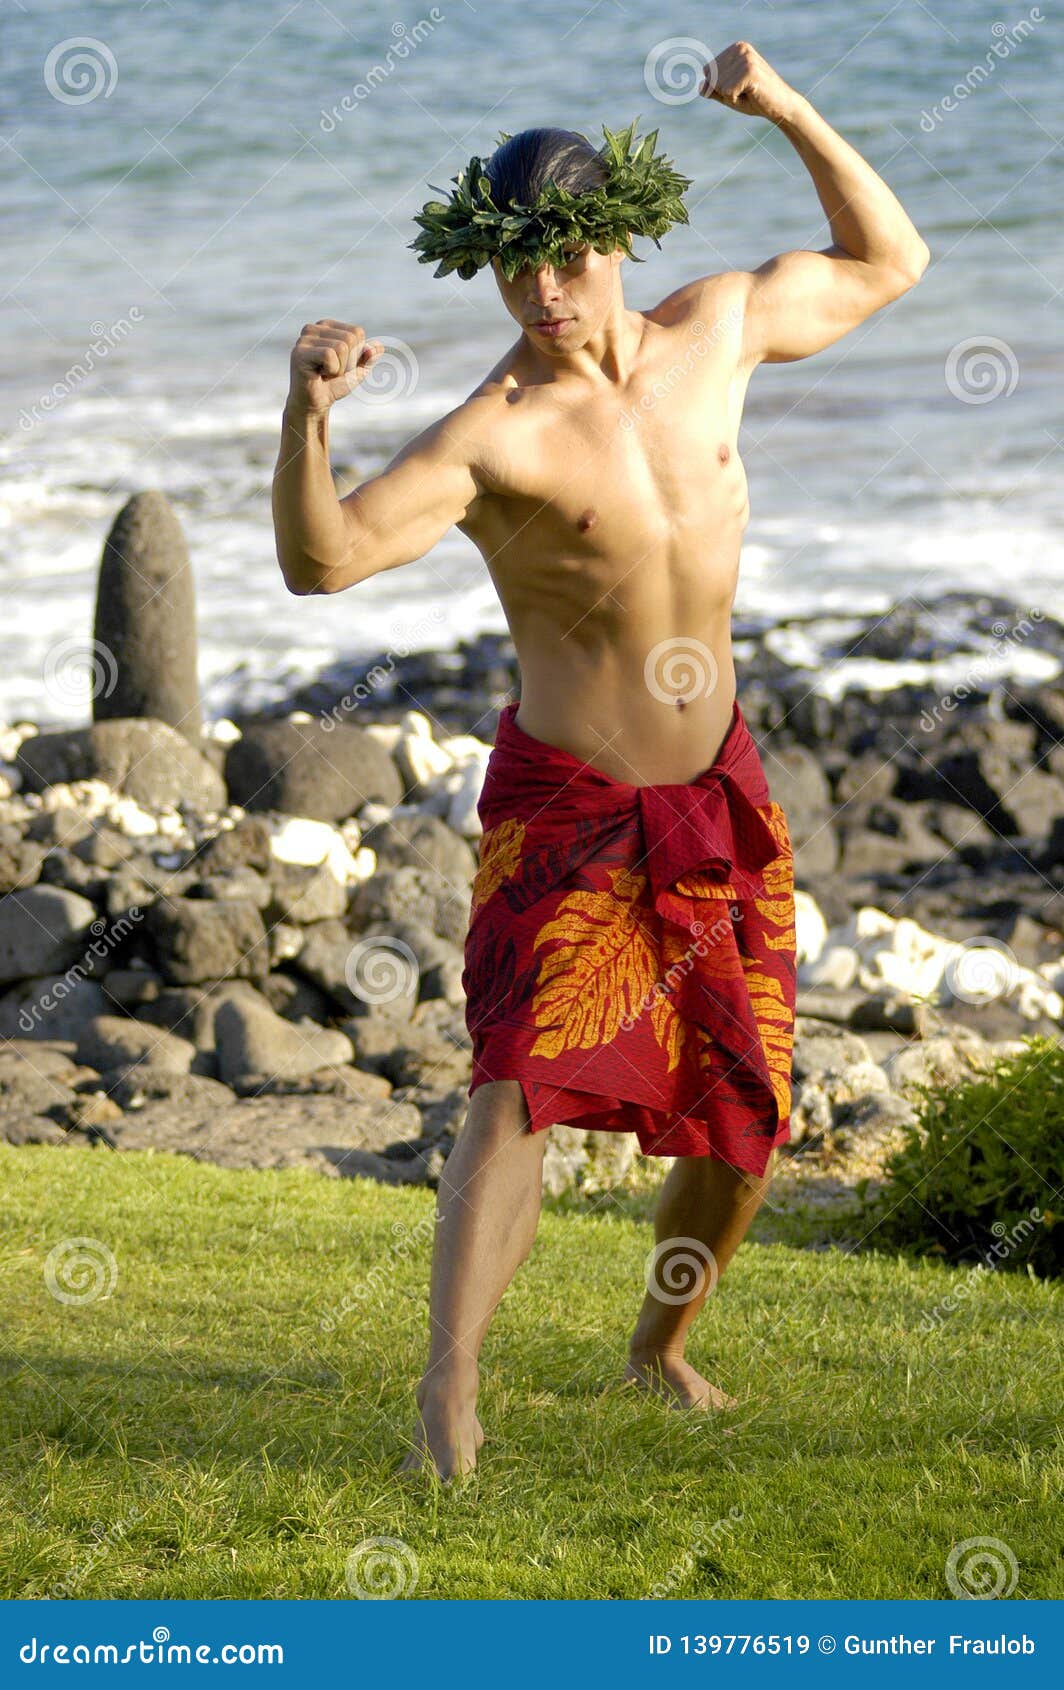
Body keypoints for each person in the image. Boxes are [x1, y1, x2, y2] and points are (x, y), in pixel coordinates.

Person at [271, 41, 929, 1480]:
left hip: (719, 790)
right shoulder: (493, 438)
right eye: (517, 271)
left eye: (569, 258)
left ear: (619, 239)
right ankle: (450, 1386)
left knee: (747, 1098)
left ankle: (659, 1345)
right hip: (569, 803)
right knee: (518, 1081)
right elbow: (322, 563)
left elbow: (889, 259)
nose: (548, 291)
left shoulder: (721, 332)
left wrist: (787, 109)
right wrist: (306, 416)